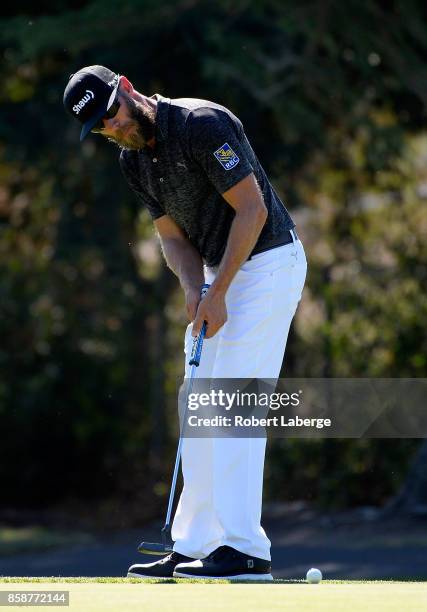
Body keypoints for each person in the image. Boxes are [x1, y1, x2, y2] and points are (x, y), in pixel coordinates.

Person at [63, 65, 307, 581]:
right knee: (197, 400)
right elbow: (173, 238)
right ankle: (193, 545)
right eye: (102, 129)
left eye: (113, 114)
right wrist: (195, 290)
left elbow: (252, 210)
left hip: (266, 265)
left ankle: (245, 549)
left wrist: (217, 293)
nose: (115, 129)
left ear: (127, 88)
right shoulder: (133, 162)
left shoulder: (202, 123)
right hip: (220, 271)